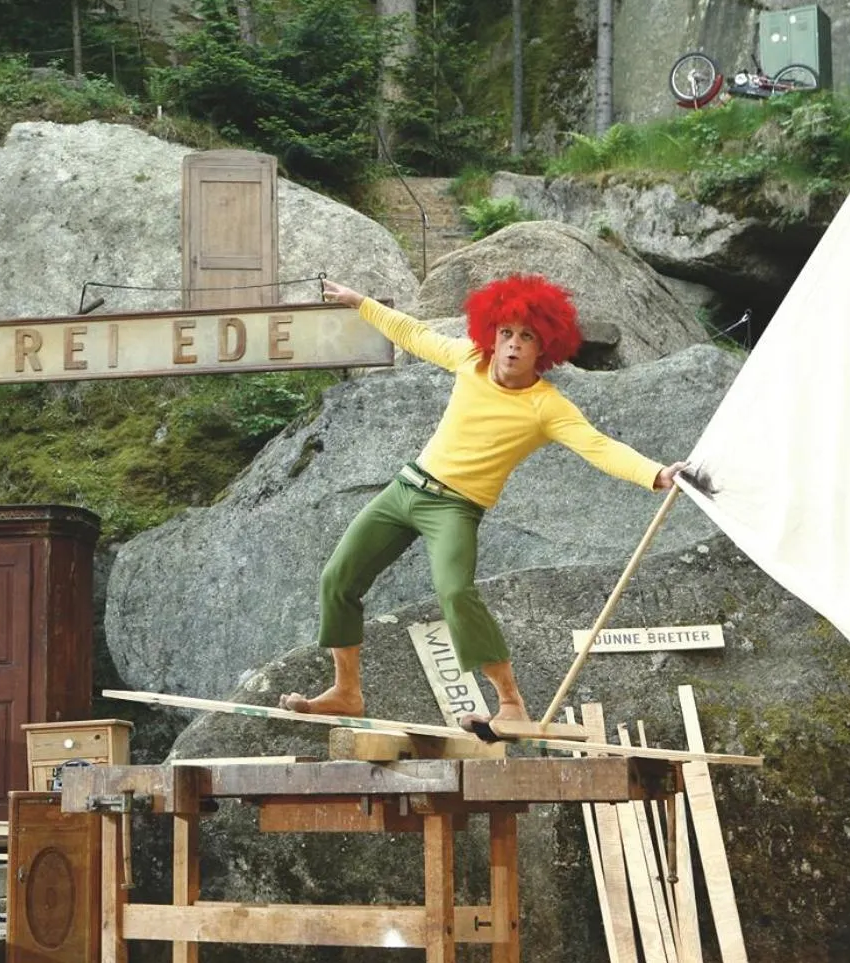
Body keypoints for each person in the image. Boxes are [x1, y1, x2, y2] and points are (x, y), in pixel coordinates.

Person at [280, 275, 687, 731]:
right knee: (338, 577)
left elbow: (598, 446)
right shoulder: (470, 359)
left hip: (455, 508)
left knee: (455, 591)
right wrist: (361, 303)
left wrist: (656, 474)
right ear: (491, 335)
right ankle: (347, 692)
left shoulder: (545, 406)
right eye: (506, 333)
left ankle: (511, 703)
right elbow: (416, 335)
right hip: (406, 489)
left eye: (526, 337)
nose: (513, 346)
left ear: (543, 348)